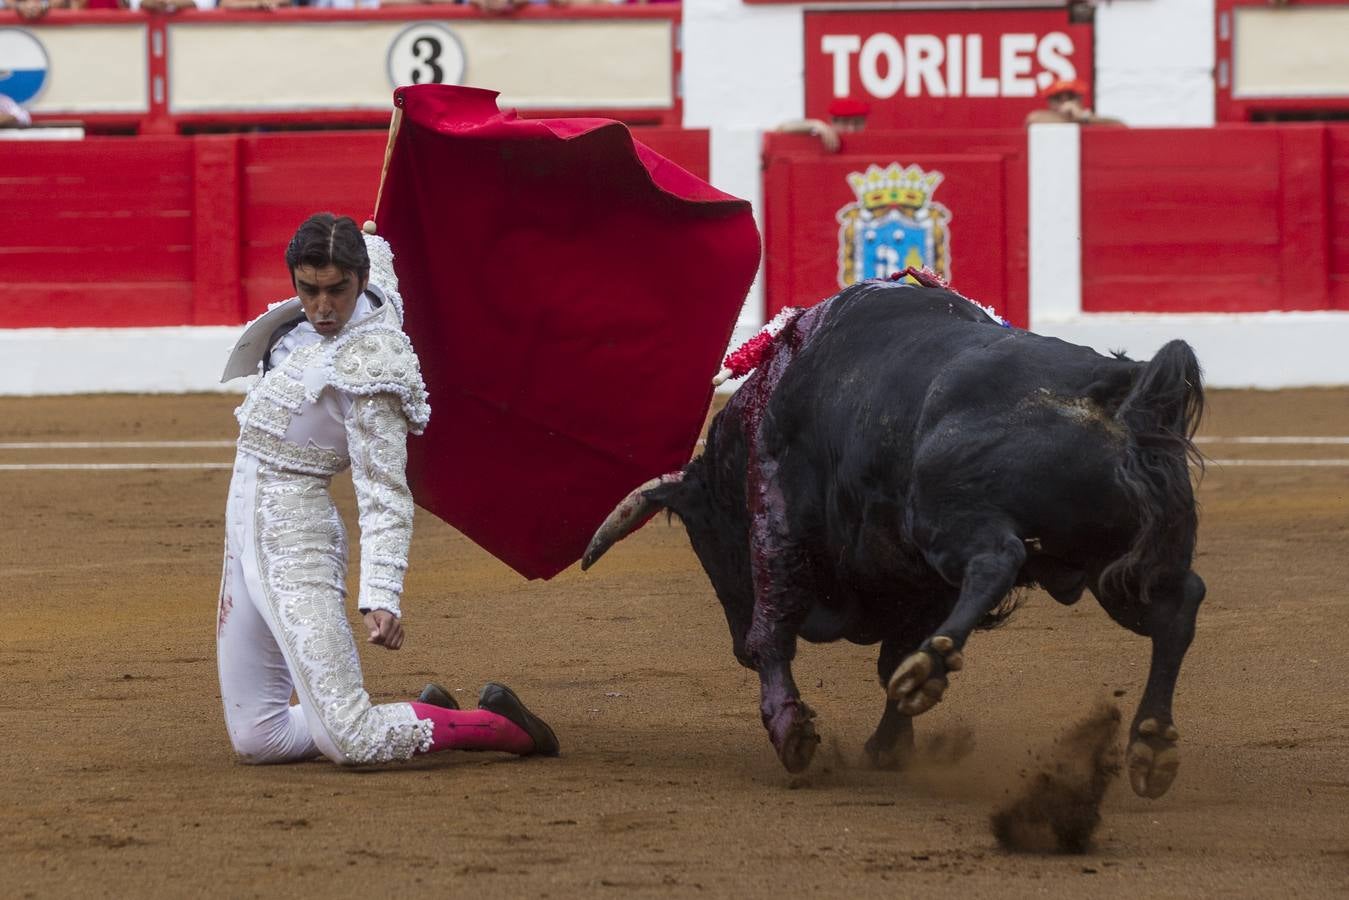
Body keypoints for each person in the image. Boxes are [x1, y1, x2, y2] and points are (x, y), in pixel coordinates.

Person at [217, 212, 559, 765]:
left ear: (359, 278)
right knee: (260, 737)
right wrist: (375, 234)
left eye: (337, 291)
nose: (323, 307)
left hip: (295, 542)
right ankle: (419, 711)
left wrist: (381, 592)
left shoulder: (374, 367)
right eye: (309, 290)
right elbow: (385, 261)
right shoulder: (359, 289)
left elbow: (384, 492)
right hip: (242, 538)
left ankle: (494, 725)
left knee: (352, 740)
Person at [1025, 78, 1125, 127]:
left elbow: (1120, 126)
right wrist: (1074, 119)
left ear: (1080, 100)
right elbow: (1032, 119)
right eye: (1057, 98)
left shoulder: (1088, 119)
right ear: (1050, 102)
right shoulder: (1040, 118)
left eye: (1071, 96)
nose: (1065, 101)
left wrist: (1084, 117)